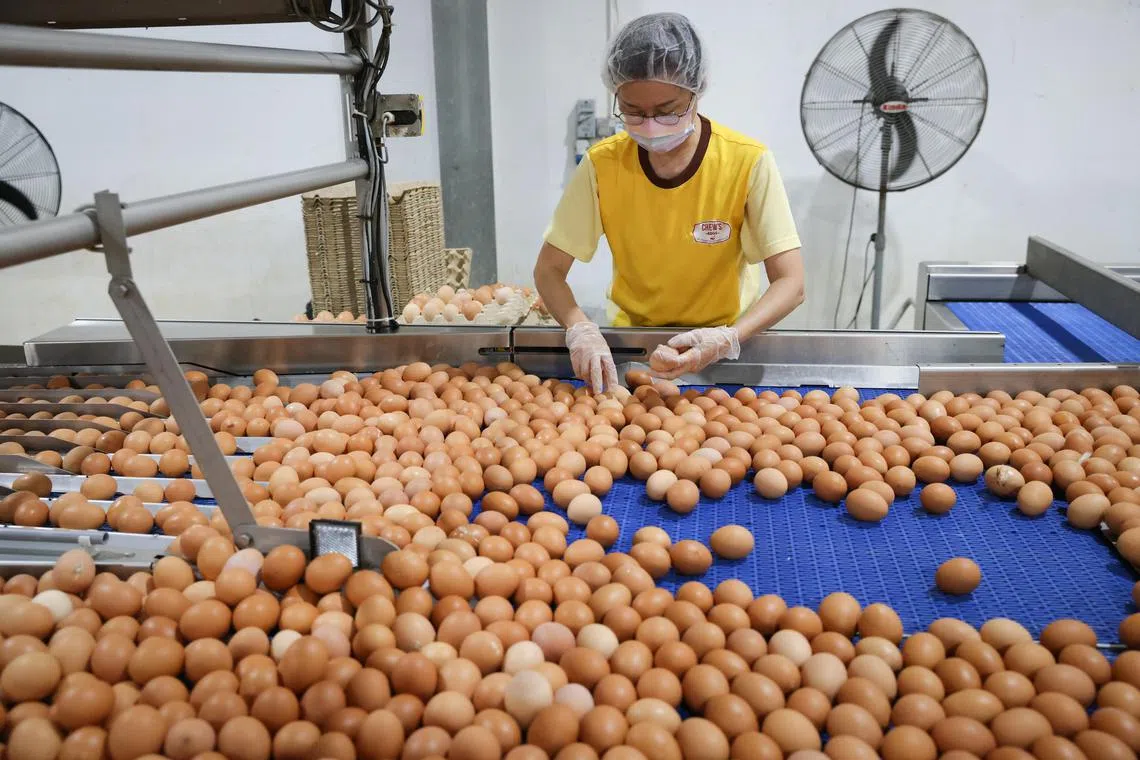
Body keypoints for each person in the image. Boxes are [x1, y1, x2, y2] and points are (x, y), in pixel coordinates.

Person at [533, 12, 805, 392]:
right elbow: (548, 270)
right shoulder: (603, 165)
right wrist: (579, 327)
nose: (649, 125)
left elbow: (791, 281)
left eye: (666, 110)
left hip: (724, 354)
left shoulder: (746, 162)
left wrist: (727, 339)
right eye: (632, 110)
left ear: (696, 91)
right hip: (635, 350)